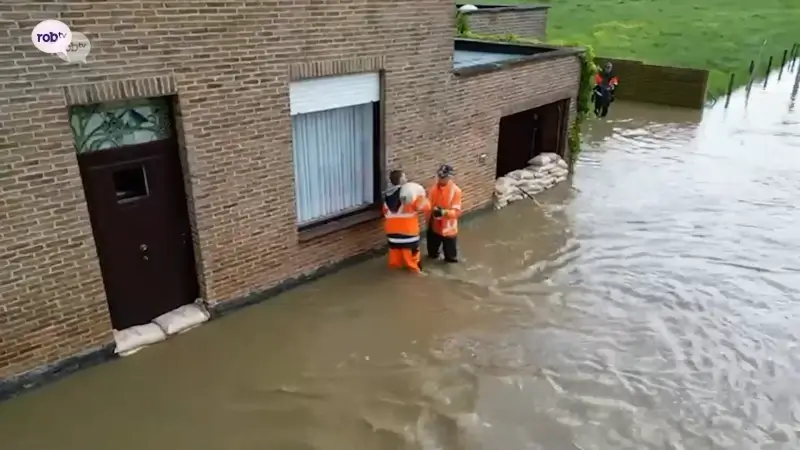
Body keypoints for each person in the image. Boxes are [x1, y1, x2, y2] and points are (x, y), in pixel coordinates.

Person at [383, 169, 430, 274]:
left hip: (392, 237)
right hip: (408, 236)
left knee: (394, 265)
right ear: (401, 180)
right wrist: (423, 196)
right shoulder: (410, 194)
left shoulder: (386, 198)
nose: (407, 179)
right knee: (413, 267)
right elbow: (425, 207)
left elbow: (385, 213)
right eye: (404, 177)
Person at [426, 164, 462, 263]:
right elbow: (428, 206)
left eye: (443, 177)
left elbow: (457, 212)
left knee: (451, 259)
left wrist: (443, 212)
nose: (440, 179)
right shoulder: (433, 189)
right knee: (432, 255)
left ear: (449, 177)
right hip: (434, 227)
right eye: (439, 176)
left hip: (448, 229)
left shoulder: (456, 191)